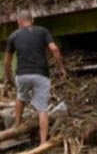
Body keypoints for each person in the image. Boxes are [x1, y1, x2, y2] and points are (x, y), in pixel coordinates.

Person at [4, 10, 67, 144]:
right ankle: (43, 143)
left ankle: (17, 125)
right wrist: (61, 67)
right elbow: (54, 49)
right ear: (32, 20)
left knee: (21, 97)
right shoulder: (42, 31)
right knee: (42, 108)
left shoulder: (13, 36)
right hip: (41, 74)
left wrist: (8, 77)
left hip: (22, 74)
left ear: (19, 22)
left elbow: (7, 61)